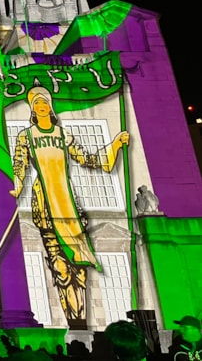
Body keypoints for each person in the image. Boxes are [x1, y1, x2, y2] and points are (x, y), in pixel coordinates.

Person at [10, 81, 130, 328]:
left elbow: (87, 158)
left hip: (68, 202)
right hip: (45, 200)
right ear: (32, 109)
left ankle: (81, 322)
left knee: (78, 267)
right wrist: (17, 185)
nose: (42, 106)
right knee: (60, 266)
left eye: (45, 102)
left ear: (50, 107)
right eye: (37, 103)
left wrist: (115, 144)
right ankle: (73, 320)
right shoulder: (26, 136)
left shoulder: (63, 135)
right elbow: (19, 165)